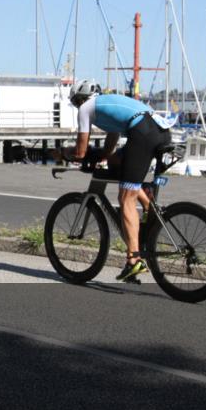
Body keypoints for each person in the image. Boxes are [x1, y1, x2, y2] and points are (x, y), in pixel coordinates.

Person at [64, 79, 174, 283]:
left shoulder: (86, 109)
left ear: (79, 99)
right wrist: (102, 156)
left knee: (125, 199)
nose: (77, 105)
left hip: (142, 132)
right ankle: (148, 205)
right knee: (117, 163)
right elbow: (108, 152)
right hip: (160, 131)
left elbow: (80, 152)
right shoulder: (106, 106)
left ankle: (134, 260)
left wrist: (64, 153)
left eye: (76, 102)